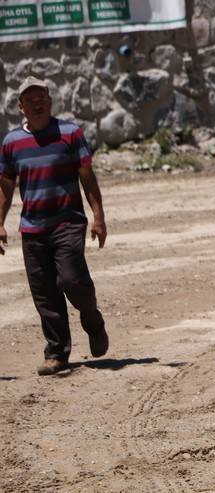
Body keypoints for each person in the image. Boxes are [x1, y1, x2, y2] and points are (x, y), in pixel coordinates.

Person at [0, 76, 109, 376]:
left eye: (41, 97)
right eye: (30, 99)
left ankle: (91, 319)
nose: (37, 103)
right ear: (21, 107)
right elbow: (6, 185)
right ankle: (57, 353)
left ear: (49, 100)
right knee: (45, 293)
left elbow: (87, 177)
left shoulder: (70, 133)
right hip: (33, 229)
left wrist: (98, 216)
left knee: (72, 280)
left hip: (68, 222)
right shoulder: (12, 143)